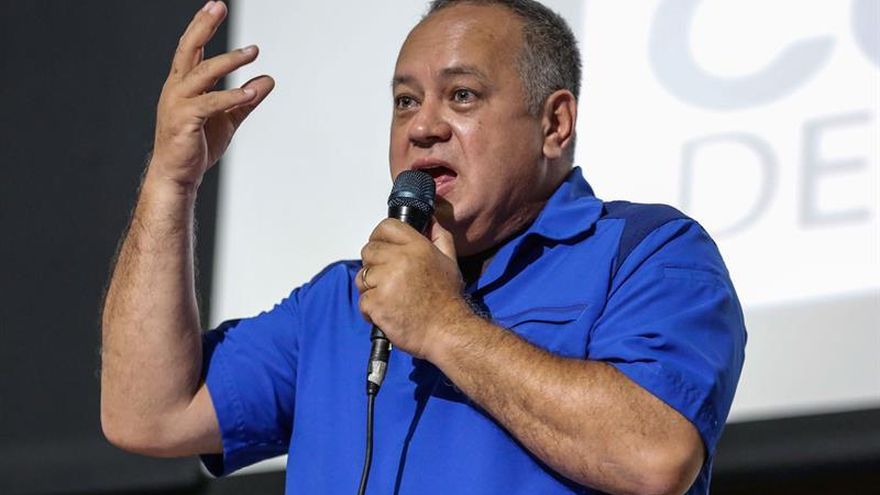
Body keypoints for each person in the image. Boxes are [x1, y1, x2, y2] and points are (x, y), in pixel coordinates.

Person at [100, 0, 746, 494]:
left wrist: (443, 324)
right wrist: (171, 180)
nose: (423, 126)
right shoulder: (342, 299)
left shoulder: (647, 254)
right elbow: (147, 415)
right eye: (405, 101)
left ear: (554, 123)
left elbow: (656, 457)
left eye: (462, 95)